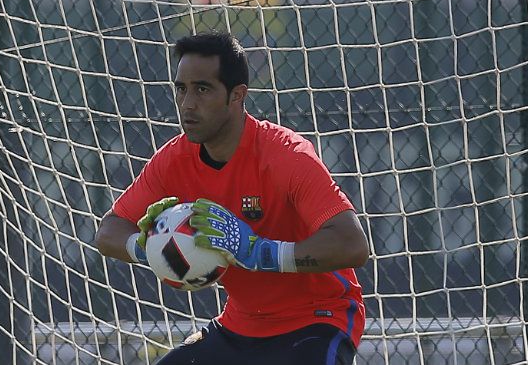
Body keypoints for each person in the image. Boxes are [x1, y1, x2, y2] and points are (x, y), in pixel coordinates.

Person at [95, 31, 369, 365]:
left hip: (317, 320)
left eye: (203, 89)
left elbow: (352, 245)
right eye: (181, 88)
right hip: (239, 325)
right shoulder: (174, 159)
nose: (187, 103)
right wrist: (148, 246)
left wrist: (261, 252)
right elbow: (108, 231)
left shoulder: (286, 155)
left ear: (237, 95)